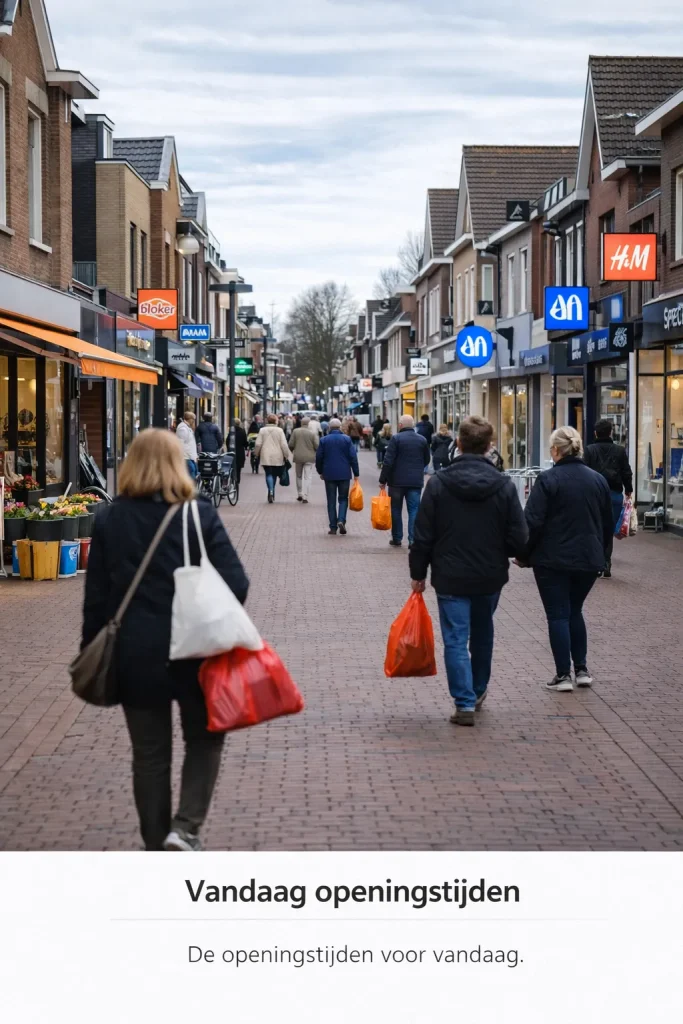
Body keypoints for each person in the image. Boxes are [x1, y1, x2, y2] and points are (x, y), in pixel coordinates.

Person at [81, 428, 249, 851]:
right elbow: (237, 582)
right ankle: (186, 827)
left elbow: (96, 598)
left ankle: (156, 841)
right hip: (196, 650)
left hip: (136, 654)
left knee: (150, 754)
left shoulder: (109, 518)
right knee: (205, 739)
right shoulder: (197, 513)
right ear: (179, 463)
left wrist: (92, 649)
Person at [410, 416, 528, 726]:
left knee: (454, 638)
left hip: (450, 575)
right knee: (483, 632)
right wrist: (517, 553)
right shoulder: (503, 485)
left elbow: (423, 534)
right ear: (490, 447)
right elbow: (518, 535)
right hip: (490, 575)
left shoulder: (438, 484)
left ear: (458, 444)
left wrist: (418, 572)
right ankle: (477, 690)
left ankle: (463, 702)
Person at [522, 426, 613, 693]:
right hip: (588, 558)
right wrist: (603, 556)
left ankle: (563, 675)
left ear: (555, 450)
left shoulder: (548, 480)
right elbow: (606, 523)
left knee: (558, 615)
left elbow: (533, 521)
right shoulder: (597, 480)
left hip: (552, 560)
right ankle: (582, 669)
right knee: (575, 611)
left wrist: (524, 555)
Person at [583, 419, 633, 578]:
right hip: (614, 494)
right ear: (611, 432)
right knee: (608, 529)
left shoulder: (589, 450)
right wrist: (629, 490)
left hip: (594, 494)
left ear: (595, 433)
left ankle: (597, 562)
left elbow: (584, 471)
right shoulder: (619, 451)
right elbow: (626, 472)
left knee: (595, 528)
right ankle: (606, 562)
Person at [379, 413, 430, 548]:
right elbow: (427, 459)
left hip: (396, 482)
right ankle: (413, 540)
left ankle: (397, 538)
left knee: (396, 509)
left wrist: (382, 479)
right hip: (415, 481)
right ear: (413, 425)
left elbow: (388, 461)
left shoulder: (396, 439)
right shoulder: (422, 440)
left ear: (400, 425)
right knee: (414, 510)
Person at [315, 417, 360, 535]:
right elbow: (353, 457)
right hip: (344, 473)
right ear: (340, 427)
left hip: (329, 474)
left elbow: (319, 457)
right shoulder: (347, 439)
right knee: (343, 499)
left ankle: (333, 527)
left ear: (329, 427)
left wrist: (320, 471)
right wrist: (356, 473)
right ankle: (341, 520)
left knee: (331, 500)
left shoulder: (324, 440)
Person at [254, 413, 292, 503]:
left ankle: (271, 491)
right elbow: (284, 445)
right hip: (278, 456)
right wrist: (286, 455)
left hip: (265, 455)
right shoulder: (279, 431)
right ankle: (272, 491)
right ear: (276, 421)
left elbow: (258, 444)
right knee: (274, 473)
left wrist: (256, 454)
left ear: (267, 420)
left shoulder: (262, 430)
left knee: (269, 474)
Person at [288, 416, 319, 503]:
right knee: (308, 477)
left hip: (298, 456)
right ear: (309, 423)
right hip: (309, 457)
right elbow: (317, 446)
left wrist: (292, 451)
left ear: (301, 423)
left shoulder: (295, 431)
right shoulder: (312, 433)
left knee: (298, 476)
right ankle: (306, 496)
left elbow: (290, 444)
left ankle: (300, 494)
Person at [176, 411, 198, 479]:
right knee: (191, 475)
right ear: (190, 419)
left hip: (190, 457)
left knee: (194, 473)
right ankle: (190, 489)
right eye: (194, 419)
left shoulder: (187, 427)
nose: (194, 421)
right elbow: (180, 444)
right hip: (186, 457)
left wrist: (195, 456)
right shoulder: (183, 428)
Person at [230, 418, 248, 486]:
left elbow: (228, 440)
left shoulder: (231, 431)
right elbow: (245, 442)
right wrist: (246, 447)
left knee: (231, 467)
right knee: (238, 469)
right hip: (240, 452)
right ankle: (237, 481)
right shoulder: (242, 431)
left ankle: (232, 480)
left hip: (232, 452)